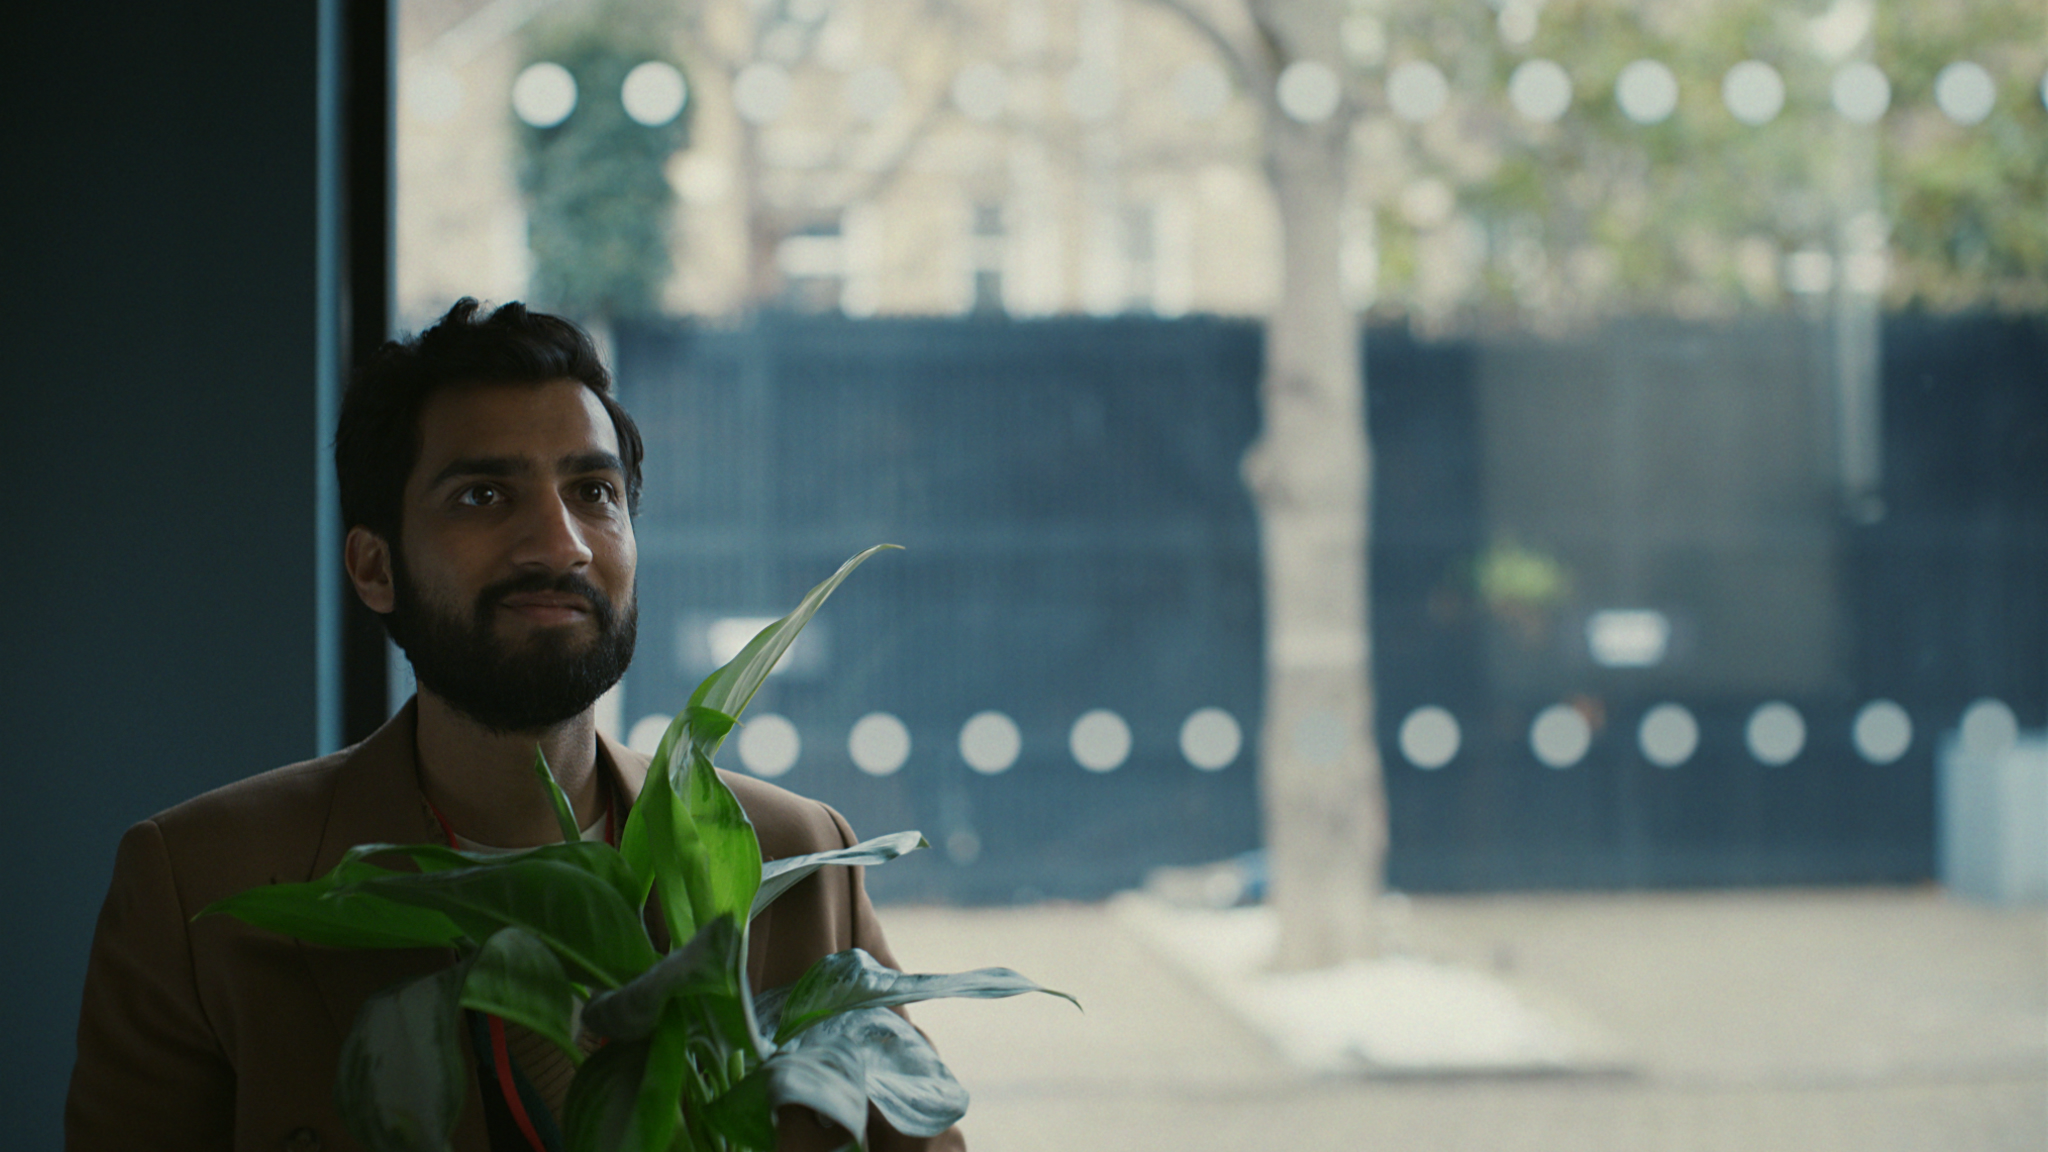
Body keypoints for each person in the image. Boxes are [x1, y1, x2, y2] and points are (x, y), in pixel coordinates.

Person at [67, 299, 963, 1152]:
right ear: (376, 569)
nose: (561, 543)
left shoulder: (797, 858)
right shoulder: (199, 886)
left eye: (594, 492)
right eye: (484, 497)